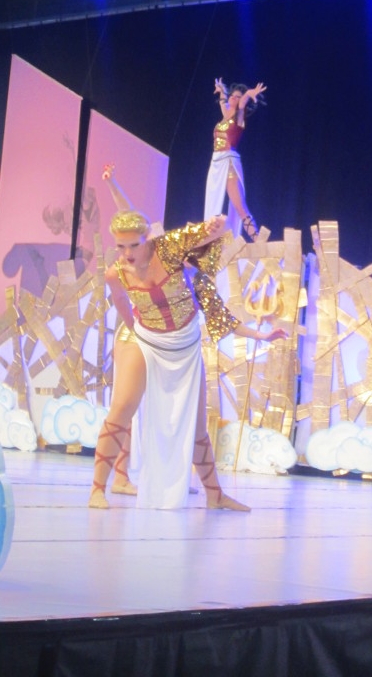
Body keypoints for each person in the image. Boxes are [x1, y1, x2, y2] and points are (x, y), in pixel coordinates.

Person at [89, 168, 285, 512]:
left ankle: (215, 495)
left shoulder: (181, 264)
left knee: (195, 426)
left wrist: (262, 334)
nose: (127, 253)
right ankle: (98, 490)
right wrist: (136, 332)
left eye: (133, 245)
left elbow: (223, 317)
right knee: (122, 408)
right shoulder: (116, 273)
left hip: (183, 348)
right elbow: (121, 302)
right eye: (120, 246)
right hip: (144, 340)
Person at [204, 77, 266, 240]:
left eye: (238, 97)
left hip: (228, 163)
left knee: (240, 207)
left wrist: (249, 93)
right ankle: (210, 242)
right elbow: (223, 103)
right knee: (212, 207)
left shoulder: (239, 118)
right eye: (233, 95)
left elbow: (243, 102)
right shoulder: (226, 116)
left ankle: (258, 241)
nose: (234, 97)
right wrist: (222, 90)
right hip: (216, 164)